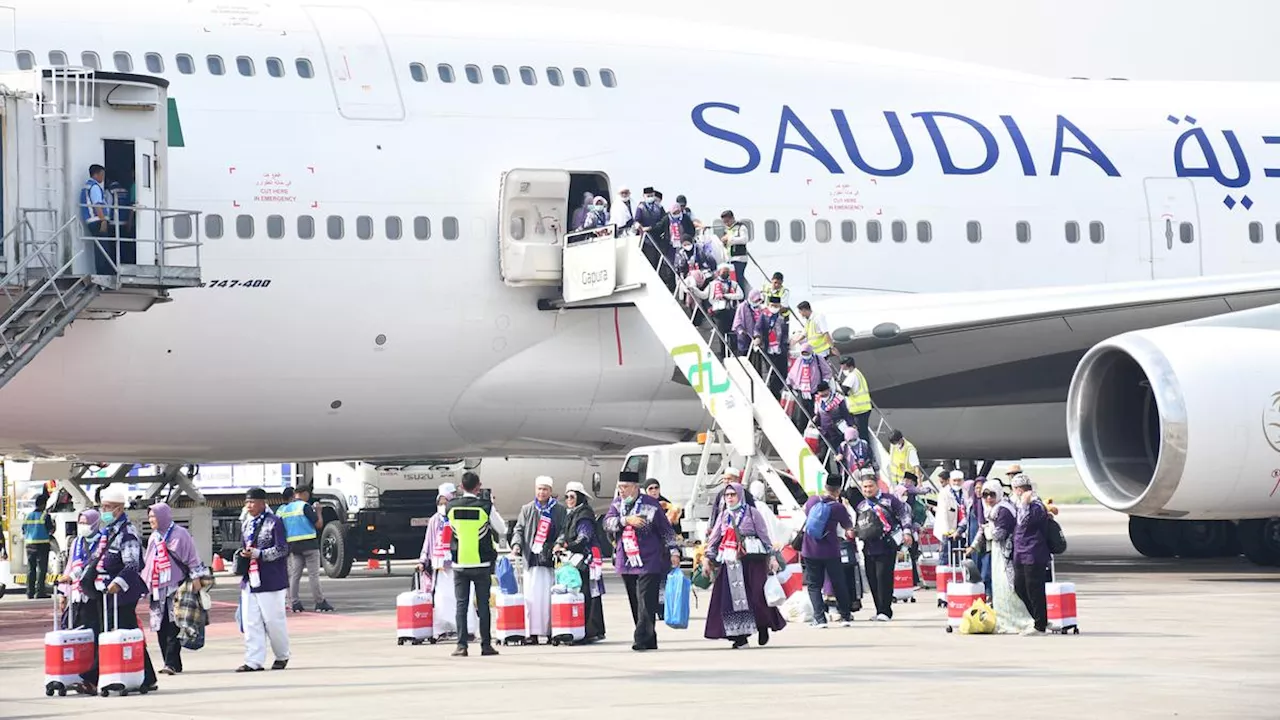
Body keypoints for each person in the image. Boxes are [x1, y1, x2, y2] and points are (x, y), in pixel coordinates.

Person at [79, 486, 158, 693]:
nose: (105, 510)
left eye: (109, 507)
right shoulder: (108, 531)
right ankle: (147, 677)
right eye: (103, 506)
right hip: (105, 591)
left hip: (122, 593)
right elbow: (98, 558)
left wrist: (118, 583)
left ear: (120, 509)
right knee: (124, 632)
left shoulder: (127, 532)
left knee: (117, 630)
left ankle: (95, 677)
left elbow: (132, 564)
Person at [603, 474, 681, 651]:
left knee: (646, 599)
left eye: (625, 487)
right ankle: (649, 637)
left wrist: (674, 551)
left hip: (649, 559)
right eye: (620, 487)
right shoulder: (617, 504)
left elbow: (666, 530)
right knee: (635, 601)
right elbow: (606, 524)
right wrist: (625, 520)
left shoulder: (651, 504)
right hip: (627, 560)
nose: (622, 491)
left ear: (635, 487)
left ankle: (640, 638)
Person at [702, 483, 786, 648]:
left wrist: (772, 558)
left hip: (752, 561)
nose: (730, 498)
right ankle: (740, 637)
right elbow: (714, 538)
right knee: (732, 600)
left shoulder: (752, 513)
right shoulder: (723, 516)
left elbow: (764, 537)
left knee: (756, 597)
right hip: (731, 562)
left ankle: (763, 625)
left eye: (733, 494)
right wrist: (707, 558)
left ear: (740, 495)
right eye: (727, 495)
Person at [445, 471, 505, 657]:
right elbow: (503, 528)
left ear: (461, 487)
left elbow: (447, 530)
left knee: (461, 605)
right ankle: (486, 645)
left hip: (460, 563)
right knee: (484, 605)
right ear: (478, 486)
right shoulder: (485, 506)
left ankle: (461, 646)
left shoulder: (450, 506)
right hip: (482, 563)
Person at [144, 502, 208, 675]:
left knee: (174, 625)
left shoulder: (181, 534)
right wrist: (145, 584)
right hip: (158, 588)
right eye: (149, 516)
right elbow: (149, 562)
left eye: (154, 516)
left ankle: (170, 663)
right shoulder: (154, 537)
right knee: (160, 626)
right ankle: (171, 662)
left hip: (176, 587)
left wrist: (196, 579)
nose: (151, 520)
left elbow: (192, 557)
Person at [236, 487, 291, 672]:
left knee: (273, 620)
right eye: (247, 502)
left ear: (262, 503)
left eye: (252, 502)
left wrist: (260, 554)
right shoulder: (246, 524)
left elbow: (283, 549)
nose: (249, 506)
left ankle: (282, 655)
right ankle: (253, 660)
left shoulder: (274, 522)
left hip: (271, 580)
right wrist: (244, 554)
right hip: (250, 579)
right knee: (251, 621)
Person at [967, 480, 1032, 634]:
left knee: (1008, 588)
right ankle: (1004, 620)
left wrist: (989, 530)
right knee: (999, 589)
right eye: (985, 495)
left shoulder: (1003, 509)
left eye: (992, 494)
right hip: (997, 553)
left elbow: (999, 534)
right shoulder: (992, 510)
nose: (988, 498)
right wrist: (973, 546)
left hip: (1006, 554)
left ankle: (1016, 621)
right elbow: (984, 530)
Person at [416, 482, 479, 640]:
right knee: (442, 599)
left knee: (462, 597)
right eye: (440, 503)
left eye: (446, 502)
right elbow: (428, 543)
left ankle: (467, 629)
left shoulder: (459, 517)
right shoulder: (434, 521)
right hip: (440, 568)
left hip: (459, 564)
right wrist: (423, 561)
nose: (443, 506)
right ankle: (444, 629)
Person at [511, 476, 566, 645]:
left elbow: (564, 530)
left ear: (550, 491)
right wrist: (516, 545)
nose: (541, 492)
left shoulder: (558, 510)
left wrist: (558, 544)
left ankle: (551, 631)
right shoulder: (527, 509)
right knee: (531, 598)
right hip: (532, 560)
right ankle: (532, 633)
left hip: (549, 560)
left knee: (549, 598)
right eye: (539, 489)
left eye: (545, 489)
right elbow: (519, 529)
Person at [854, 470, 913, 621]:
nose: (867, 490)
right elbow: (859, 525)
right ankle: (879, 610)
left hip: (886, 546)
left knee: (883, 578)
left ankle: (886, 611)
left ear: (877, 485)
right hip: (868, 547)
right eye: (865, 487)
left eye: (870, 486)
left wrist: (907, 532)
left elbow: (904, 515)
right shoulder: (861, 506)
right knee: (872, 578)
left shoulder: (890, 500)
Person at [554, 481, 606, 643]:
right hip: (575, 557)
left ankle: (590, 629)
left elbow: (585, 536)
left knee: (587, 593)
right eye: (567, 497)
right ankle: (586, 628)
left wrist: (568, 545)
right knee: (584, 592)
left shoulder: (584, 514)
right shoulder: (571, 514)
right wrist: (559, 543)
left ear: (580, 498)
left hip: (586, 558)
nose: (569, 499)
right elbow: (564, 532)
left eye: (572, 496)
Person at [800, 475, 855, 627]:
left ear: (825, 486)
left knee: (813, 585)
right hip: (831, 549)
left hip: (810, 548)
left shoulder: (812, 500)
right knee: (838, 582)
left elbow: (806, 515)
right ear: (838, 490)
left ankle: (819, 618)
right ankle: (845, 616)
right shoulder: (838, 507)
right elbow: (848, 527)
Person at [279, 486, 333, 613]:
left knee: (294, 576)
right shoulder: (305, 506)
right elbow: (318, 524)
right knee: (313, 575)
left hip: (293, 546)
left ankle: (295, 603)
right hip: (309, 545)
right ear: (303, 494)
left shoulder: (286, 509)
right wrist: (318, 511)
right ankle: (319, 602)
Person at [57, 510, 103, 652]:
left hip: (95, 593)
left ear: (95, 524)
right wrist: (63, 593)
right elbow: (70, 567)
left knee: (94, 629)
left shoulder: (103, 541)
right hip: (78, 594)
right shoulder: (77, 542)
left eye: (86, 523)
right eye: (80, 523)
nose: (82, 526)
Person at [1010, 474, 1050, 635]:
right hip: (1020, 552)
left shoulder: (1036, 505)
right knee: (1019, 587)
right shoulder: (1019, 503)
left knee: (1035, 589)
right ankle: (1039, 618)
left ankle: (1040, 624)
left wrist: (1025, 504)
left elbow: (1023, 521)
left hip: (1034, 553)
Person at [689, 263, 743, 359]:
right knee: (721, 334)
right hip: (718, 313)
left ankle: (734, 353)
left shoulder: (734, 284)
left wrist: (727, 296)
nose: (725, 273)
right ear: (718, 272)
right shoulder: (712, 284)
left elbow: (740, 295)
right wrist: (694, 290)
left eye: (727, 271)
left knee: (733, 333)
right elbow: (704, 295)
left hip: (730, 311)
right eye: (723, 271)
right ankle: (723, 354)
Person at [787, 343, 833, 426]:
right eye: (803, 354)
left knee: (815, 412)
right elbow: (793, 374)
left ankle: (816, 428)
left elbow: (828, 372)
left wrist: (824, 382)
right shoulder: (799, 360)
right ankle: (802, 428)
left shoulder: (818, 359)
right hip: (802, 391)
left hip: (815, 391)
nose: (805, 356)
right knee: (801, 413)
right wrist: (789, 383)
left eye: (807, 353)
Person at [754, 295, 790, 399]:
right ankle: (774, 394)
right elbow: (757, 328)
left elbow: (785, 332)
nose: (774, 307)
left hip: (780, 349)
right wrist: (757, 337)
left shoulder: (783, 317)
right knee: (772, 372)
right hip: (768, 348)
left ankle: (776, 390)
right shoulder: (764, 316)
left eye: (776, 305)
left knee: (783, 372)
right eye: (772, 305)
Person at [23, 492, 54, 599]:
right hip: (42, 545)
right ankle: (40, 592)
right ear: (44, 504)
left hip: (29, 545)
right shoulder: (45, 516)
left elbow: (23, 529)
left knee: (31, 569)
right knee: (42, 569)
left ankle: (29, 592)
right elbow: (51, 530)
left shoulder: (28, 516)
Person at [839, 355, 873, 443]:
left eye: (843, 366)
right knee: (862, 432)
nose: (841, 368)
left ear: (849, 366)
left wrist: (837, 386)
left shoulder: (852, 376)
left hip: (859, 409)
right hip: (864, 408)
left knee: (861, 434)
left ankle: (865, 451)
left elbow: (844, 390)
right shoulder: (857, 373)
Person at [721, 210, 750, 292]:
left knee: (738, 279)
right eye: (724, 222)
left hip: (740, 258)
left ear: (732, 218)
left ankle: (741, 298)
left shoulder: (741, 227)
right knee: (731, 279)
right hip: (730, 259)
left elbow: (744, 239)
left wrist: (730, 239)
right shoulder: (727, 230)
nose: (726, 224)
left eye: (727, 221)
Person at [732, 289, 764, 359]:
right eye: (756, 300)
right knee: (743, 355)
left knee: (755, 357)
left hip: (755, 336)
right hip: (744, 336)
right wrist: (741, 330)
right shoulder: (742, 306)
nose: (757, 302)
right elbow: (737, 320)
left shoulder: (759, 308)